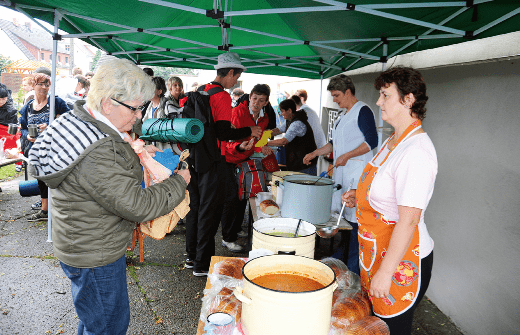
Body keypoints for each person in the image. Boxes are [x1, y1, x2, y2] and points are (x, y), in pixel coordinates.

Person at [27, 58, 190, 335]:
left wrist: (137, 152)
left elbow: (114, 153)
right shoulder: (97, 150)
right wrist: (179, 182)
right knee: (108, 326)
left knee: (94, 319)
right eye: (137, 108)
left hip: (83, 240)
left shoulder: (82, 118)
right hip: (95, 253)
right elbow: (137, 205)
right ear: (108, 104)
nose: (140, 116)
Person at [341, 67, 436, 335]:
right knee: (376, 327)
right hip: (377, 253)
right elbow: (384, 189)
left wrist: (385, 273)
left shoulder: (416, 151)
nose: (378, 102)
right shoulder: (393, 140)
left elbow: (409, 219)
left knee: (391, 329)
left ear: (408, 99)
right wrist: (359, 198)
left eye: (385, 95)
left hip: (399, 261)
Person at [185, 52, 262, 276]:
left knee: (194, 210)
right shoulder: (221, 96)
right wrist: (249, 130)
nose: (235, 82)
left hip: (194, 158)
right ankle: (202, 265)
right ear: (229, 72)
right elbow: (223, 131)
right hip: (212, 161)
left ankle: (192, 257)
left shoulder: (201, 90)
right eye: (236, 77)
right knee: (209, 213)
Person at [303, 74, 378, 275]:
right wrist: (315, 153)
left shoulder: (362, 111)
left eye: (336, 95)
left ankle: (352, 270)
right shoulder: (343, 115)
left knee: (354, 225)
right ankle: (340, 262)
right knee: (343, 222)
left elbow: (372, 141)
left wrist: (347, 155)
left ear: (347, 91)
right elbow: (333, 144)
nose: (334, 99)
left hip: (356, 175)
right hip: (342, 175)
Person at [220, 84, 272, 252]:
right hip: (228, 160)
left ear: (266, 102)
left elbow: (255, 142)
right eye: (254, 98)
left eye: (261, 100)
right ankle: (227, 238)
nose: (256, 103)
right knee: (231, 199)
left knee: (244, 195)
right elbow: (226, 141)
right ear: (249, 97)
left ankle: (235, 229)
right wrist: (239, 147)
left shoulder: (264, 119)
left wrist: (259, 148)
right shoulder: (237, 113)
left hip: (244, 160)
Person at [18, 73, 70, 220]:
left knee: (57, 178)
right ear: (33, 85)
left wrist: (51, 125)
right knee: (41, 179)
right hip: (36, 150)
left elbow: (69, 119)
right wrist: (27, 135)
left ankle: (62, 209)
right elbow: (21, 128)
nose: (44, 87)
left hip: (55, 148)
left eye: (47, 85)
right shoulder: (28, 107)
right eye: (40, 84)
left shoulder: (56, 102)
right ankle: (45, 211)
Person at [267, 99, 317, 175]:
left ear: (289, 110)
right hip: (296, 163)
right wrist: (264, 134)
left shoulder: (297, 123)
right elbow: (278, 130)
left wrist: (265, 143)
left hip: (304, 164)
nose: (281, 113)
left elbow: (283, 141)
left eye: (282, 111)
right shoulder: (289, 120)